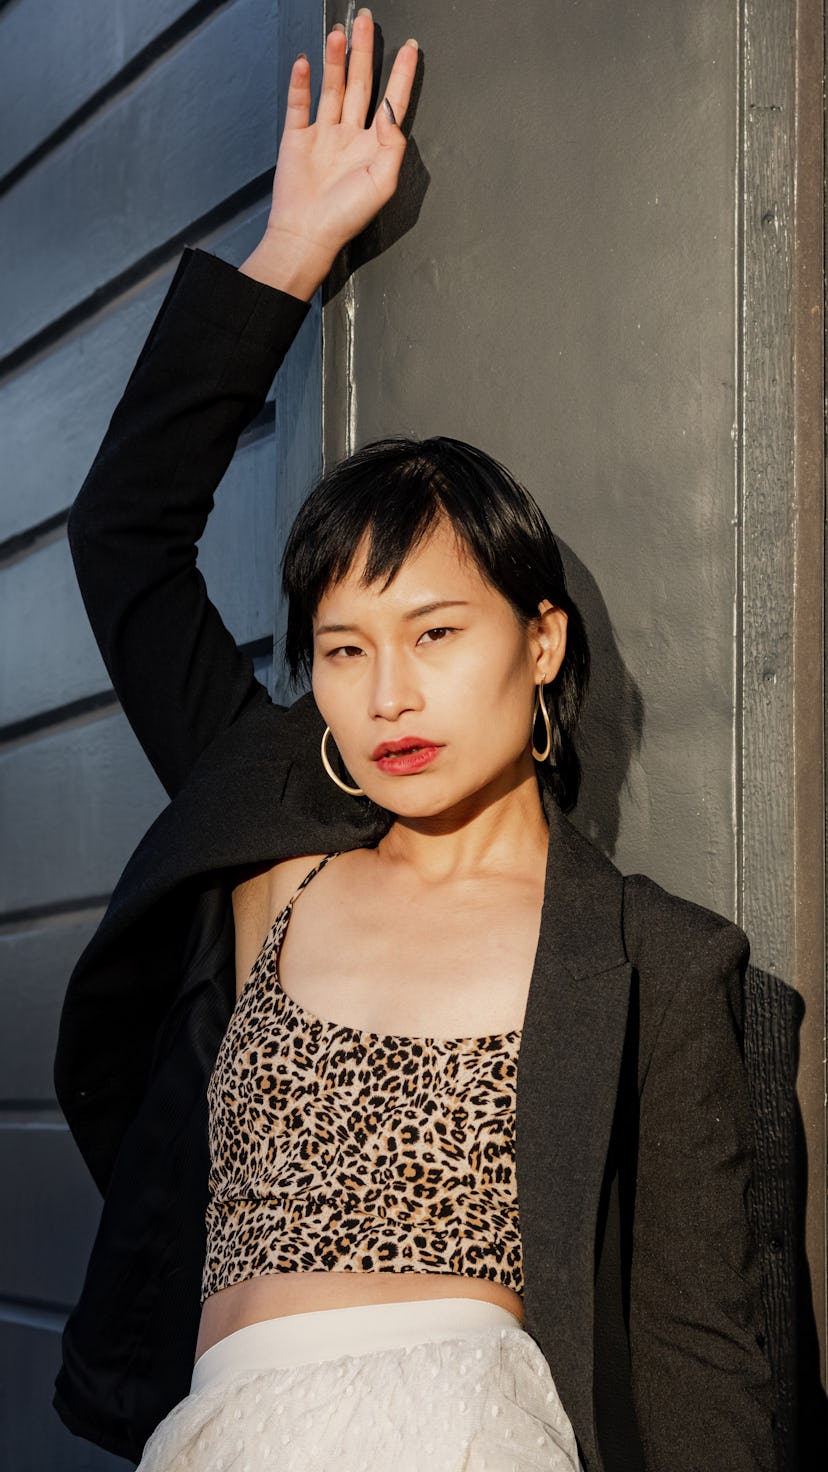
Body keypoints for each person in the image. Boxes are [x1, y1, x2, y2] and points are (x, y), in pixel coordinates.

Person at [52, 11, 776, 1471]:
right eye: (343, 648)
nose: (389, 693)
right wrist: (290, 253)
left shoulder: (653, 961)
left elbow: (707, 1357)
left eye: (439, 635)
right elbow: (125, 540)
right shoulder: (270, 835)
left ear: (542, 643)